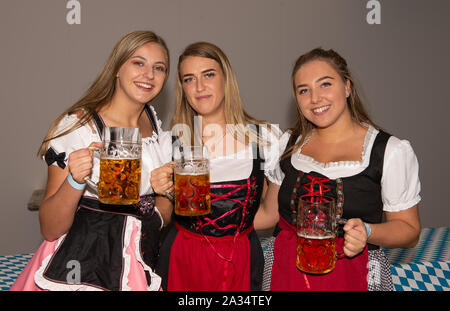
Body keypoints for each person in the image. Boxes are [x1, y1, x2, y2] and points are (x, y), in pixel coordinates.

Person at [10, 30, 173, 291]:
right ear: (117, 68)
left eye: (159, 67)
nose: (149, 75)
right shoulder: (79, 126)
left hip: (139, 266)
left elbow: (160, 207)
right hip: (82, 270)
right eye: (138, 62)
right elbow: (50, 228)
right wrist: (75, 181)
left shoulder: (155, 126)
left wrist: (164, 198)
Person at [255, 48, 421, 291]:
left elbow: (409, 231)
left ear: (347, 86)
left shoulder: (389, 151)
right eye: (304, 90)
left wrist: (368, 231)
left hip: (353, 273)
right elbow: (270, 214)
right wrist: (212, 214)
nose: (315, 98)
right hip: (287, 270)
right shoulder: (288, 144)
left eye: (325, 84)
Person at [150, 42, 281, 291]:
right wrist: (164, 192)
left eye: (208, 74)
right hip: (182, 257)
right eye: (189, 79)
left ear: (226, 78)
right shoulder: (171, 142)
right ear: (183, 88)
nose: (199, 87)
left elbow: (270, 215)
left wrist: (232, 232)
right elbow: (158, 216)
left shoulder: (265, 138)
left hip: (240, 259)